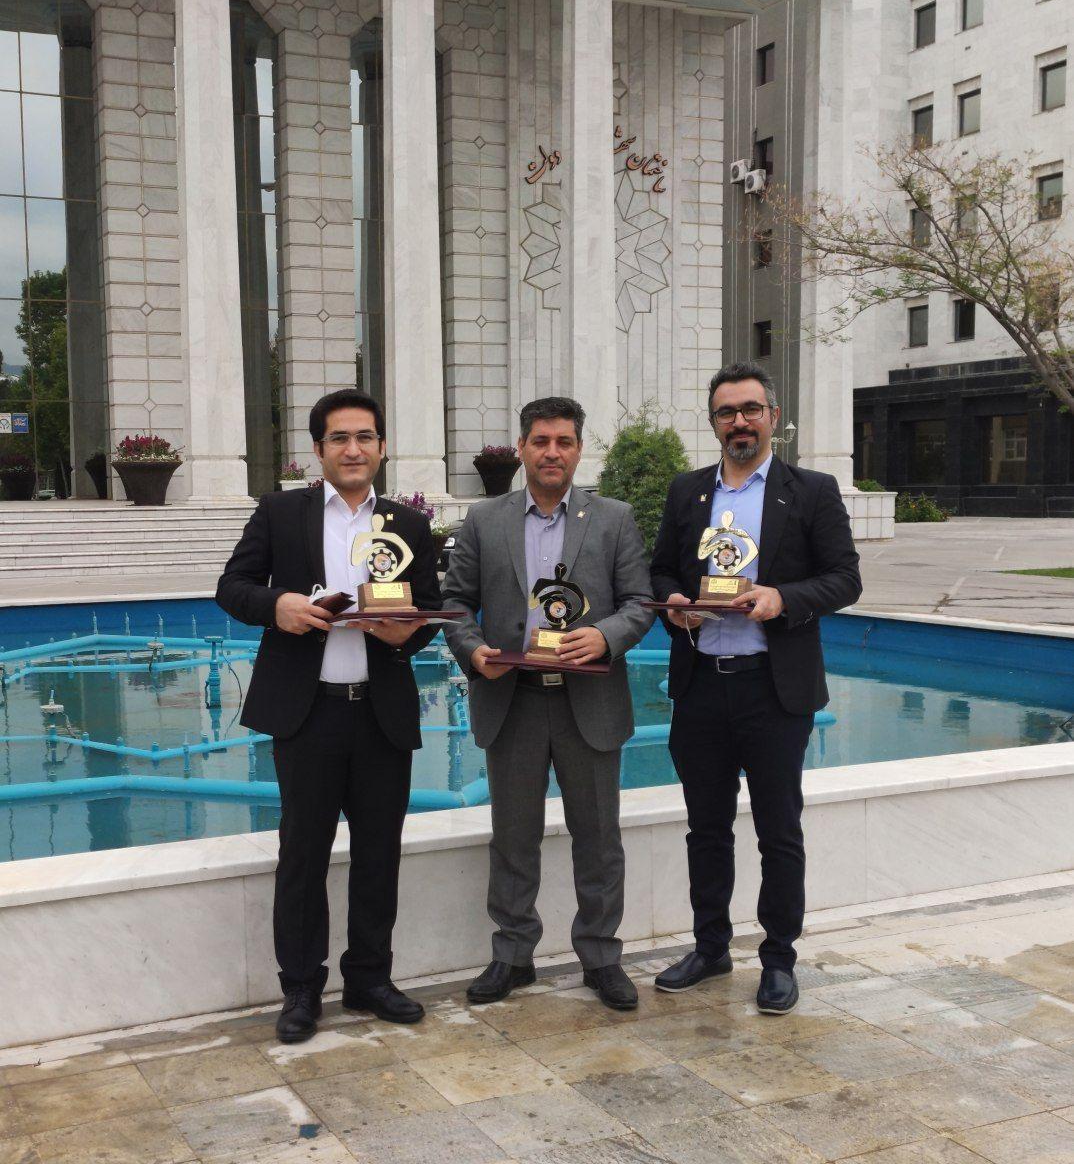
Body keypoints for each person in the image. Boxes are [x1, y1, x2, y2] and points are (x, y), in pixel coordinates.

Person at [216, 388, 441, 1043]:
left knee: (378, 853)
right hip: (308, 714)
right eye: (339, 438)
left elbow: (429, 606)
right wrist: (278, 605)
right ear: (318, 449)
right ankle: (301, 989)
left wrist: (407, 633)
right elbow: (231, 587)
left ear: (382, 447)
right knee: (303, 855)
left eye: (365, 437)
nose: (353, 449)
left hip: (380, 714)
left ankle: (369, 978)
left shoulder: (408, 523)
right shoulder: (281, 513)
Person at [650, 362, 861, 1014]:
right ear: (713, 422)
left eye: (750, 409)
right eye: (726, 412)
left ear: (773, 416)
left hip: (774, 690)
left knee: (779, 832)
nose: (739, 421)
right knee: (706, 829)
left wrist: (782, 598)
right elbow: (661, 571)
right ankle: (710, 947)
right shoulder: (688, 492)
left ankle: (778, 959)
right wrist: (674, 604)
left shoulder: (812, 490)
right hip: (701, 687)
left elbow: (845, 579)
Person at [442, 397, 654, 1010]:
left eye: (564, 441)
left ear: (579, 449)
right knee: (513, 838)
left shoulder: (613, 519)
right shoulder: (485, 520)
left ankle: (601, 957)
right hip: (513, 700)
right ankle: (513, 955)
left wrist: (605, 636)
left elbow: (639, 602)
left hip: (589, 699)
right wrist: (473, 651)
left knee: (599, 839)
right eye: (540, 441)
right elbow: (455, 602)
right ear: (522, 448)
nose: (552, 452)